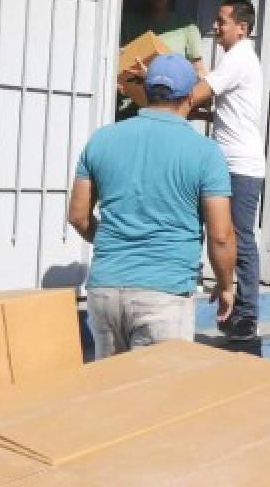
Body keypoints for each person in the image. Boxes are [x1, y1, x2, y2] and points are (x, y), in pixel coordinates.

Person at [69, 54, 236, 359]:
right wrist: (226, 286)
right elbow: (221, 236)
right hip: (164, 293)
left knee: (109, 397)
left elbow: (79, 216)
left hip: (105, 289)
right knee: (157, 402)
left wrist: (113, 242)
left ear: (145, 91)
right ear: (190, 98)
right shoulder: (206, 153)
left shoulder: (102, 139)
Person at [189, 0, 267, 342]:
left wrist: (167, 91)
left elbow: (198, 94)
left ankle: (247, 315)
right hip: (227, 161)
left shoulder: (238, 58)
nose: (216, 27)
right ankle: (231, 302)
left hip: (241, 165)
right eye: (216, 20)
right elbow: (217, 108)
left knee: (240, 238)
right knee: (223, 232)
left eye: (222, 21)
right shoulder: (233, 59)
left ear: (242, 27)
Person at [117, 0, 204, 121]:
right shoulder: (126, 22)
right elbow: (115, 60)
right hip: (129, 111)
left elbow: (199, 71)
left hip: (170, 111)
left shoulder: (186, 26)